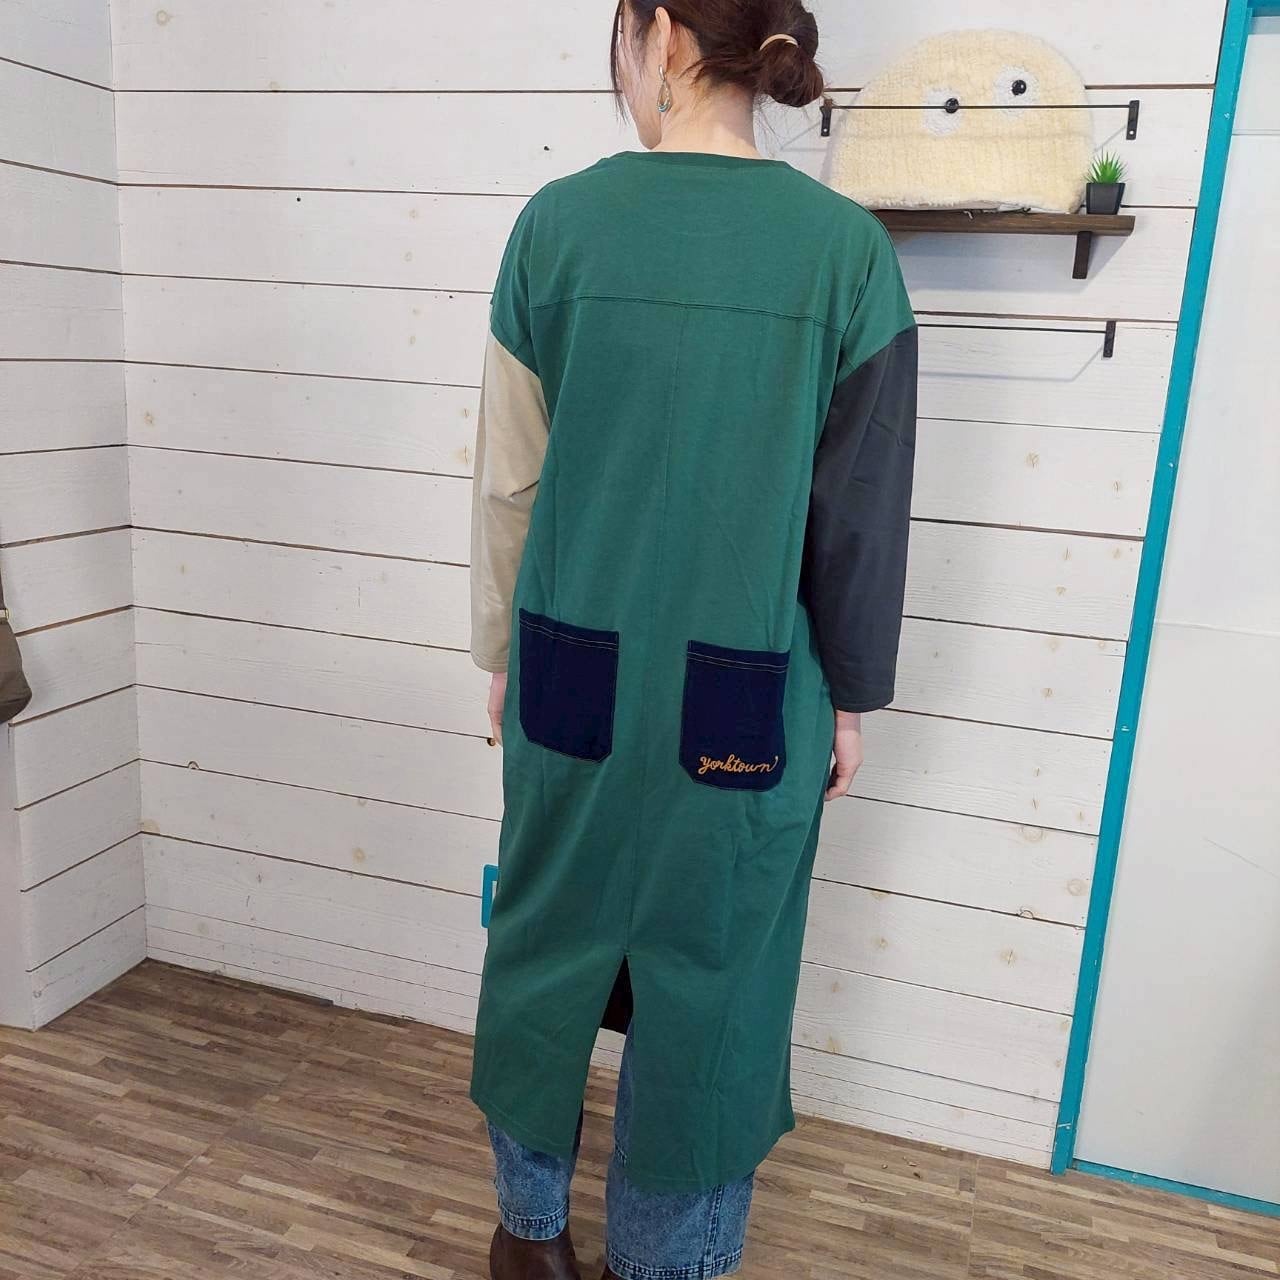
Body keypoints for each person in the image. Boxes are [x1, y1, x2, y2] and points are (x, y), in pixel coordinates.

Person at [467, 1, 919, 1277]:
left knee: (544, 942)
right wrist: (850, 697)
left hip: (567, 674)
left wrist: (497, 651)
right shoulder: (845, 253)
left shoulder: (555, 225)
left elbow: (509, 477)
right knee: (714, 977)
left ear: (658, 33)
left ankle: (529, 1242)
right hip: (749, 692)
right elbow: (858, 513)